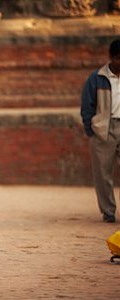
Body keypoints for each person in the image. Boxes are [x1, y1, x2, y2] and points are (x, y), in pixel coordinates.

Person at [81, 38, 120, 223]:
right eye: (119, 58)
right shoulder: (97, 78)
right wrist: (91, 130)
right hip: (103, 129)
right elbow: (87, 107)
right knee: (103, 173)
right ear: (111, 57)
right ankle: (108, 211)